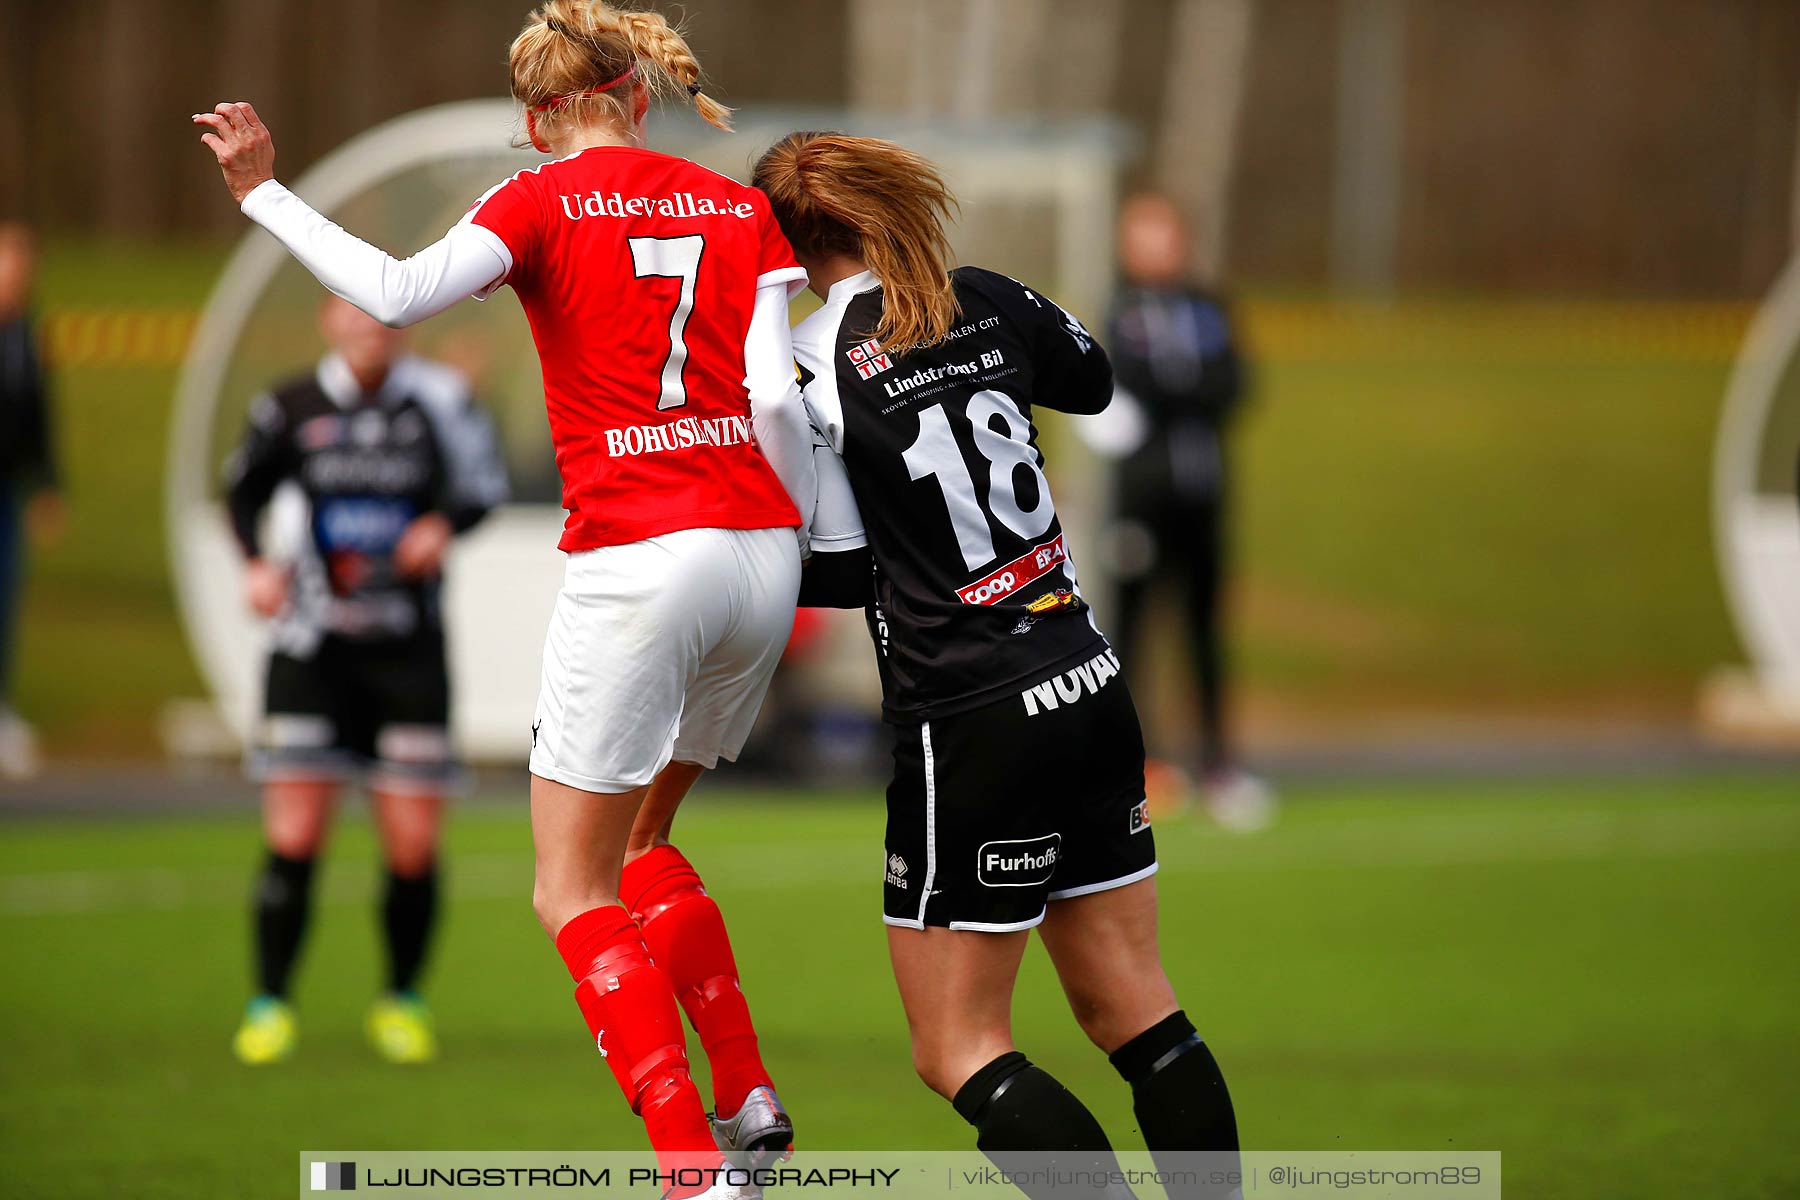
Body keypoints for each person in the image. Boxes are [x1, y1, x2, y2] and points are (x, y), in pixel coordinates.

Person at [195, 3, 815, 1191]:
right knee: (644, 845)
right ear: (639, 96)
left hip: (642, 556)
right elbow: (778, 401)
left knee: (567, 888)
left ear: (536, 120)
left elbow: (389, 293)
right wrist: (797, 545)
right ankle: (745, 1095)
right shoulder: (738, 205)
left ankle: (693, 1171)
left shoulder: (535, 197)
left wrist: (262, 193)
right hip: (760, 551)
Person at [754, 134, 1240, 1198]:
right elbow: (1095, 381)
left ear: (786, 242)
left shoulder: (800, 363)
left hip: (969, 713)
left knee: (957, 1047)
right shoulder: (980, 293)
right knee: (1135, 1005)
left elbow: (833, 575)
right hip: (1086, 676)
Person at [223, 295, 509, 1066]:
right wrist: (254, 566)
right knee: (294, 831)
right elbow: (242, 491)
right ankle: (270, 1004)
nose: (370, 329)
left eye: (386, 316)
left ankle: (401, 1000)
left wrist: (442, 525)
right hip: (310, 651)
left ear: (407, 323)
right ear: (328, 320)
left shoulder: (440, 402)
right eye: (356, 314)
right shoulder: (288, 405)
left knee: (412, 843)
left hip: (408, 654)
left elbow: (482, 488)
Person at [1078, 192, 1271, 832]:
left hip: (1205, 498)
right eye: (1144, 235)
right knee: (1131, 632)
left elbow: (1234, 384)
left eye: (1165, 235)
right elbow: (1120, 386)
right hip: (1140, 502)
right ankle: (1139, 765)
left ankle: (1218, 763)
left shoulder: (1208, 306)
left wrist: (1180, 389)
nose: (1157, 248)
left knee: (1204, 631)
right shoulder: (1118, 308)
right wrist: (1181, 389)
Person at [0, 222, 62, 780]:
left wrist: (45, 485)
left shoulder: (27, 337)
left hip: (7, 491)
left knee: (4, 600)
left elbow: (40, 416)